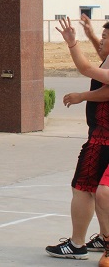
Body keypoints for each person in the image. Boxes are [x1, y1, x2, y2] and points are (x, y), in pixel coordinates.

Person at [47, 14, 109, 260]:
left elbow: (88, 71)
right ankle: (103, 238)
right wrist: (91, 35)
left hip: (102, 138)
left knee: (82, 188)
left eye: (105, 37)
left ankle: (77, 244)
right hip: (101, 135)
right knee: (99, 192)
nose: (101, 41)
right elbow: (102, 61)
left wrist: (72, 43)